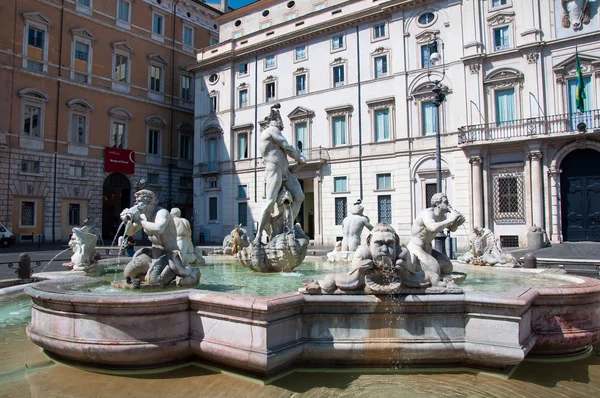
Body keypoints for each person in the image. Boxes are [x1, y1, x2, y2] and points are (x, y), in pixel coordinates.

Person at [252, 103, 306, 245]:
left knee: (299, 196)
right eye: (279, 121)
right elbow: (287, 146)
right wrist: (299, 157)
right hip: (273, 168)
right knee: (270, 202)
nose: (281, 124)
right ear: (274, 121)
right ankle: (258, 236)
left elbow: (290, 168)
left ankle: (287, 227)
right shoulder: (271, 130)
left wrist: (300, 165)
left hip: (285, 171)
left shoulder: (275, 135)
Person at [407, 193, 465, 286]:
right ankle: (418, 269)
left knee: (448, 268)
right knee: (435, 270)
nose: (448, 204)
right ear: (438, 204)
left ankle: (429, 268)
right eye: (445, 202)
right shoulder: (427, 214)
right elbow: (432, 227)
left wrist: (456, 222)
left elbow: (452, 229)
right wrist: (450, 219)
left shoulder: (442, 216)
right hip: (416, 247)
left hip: (428, 248)